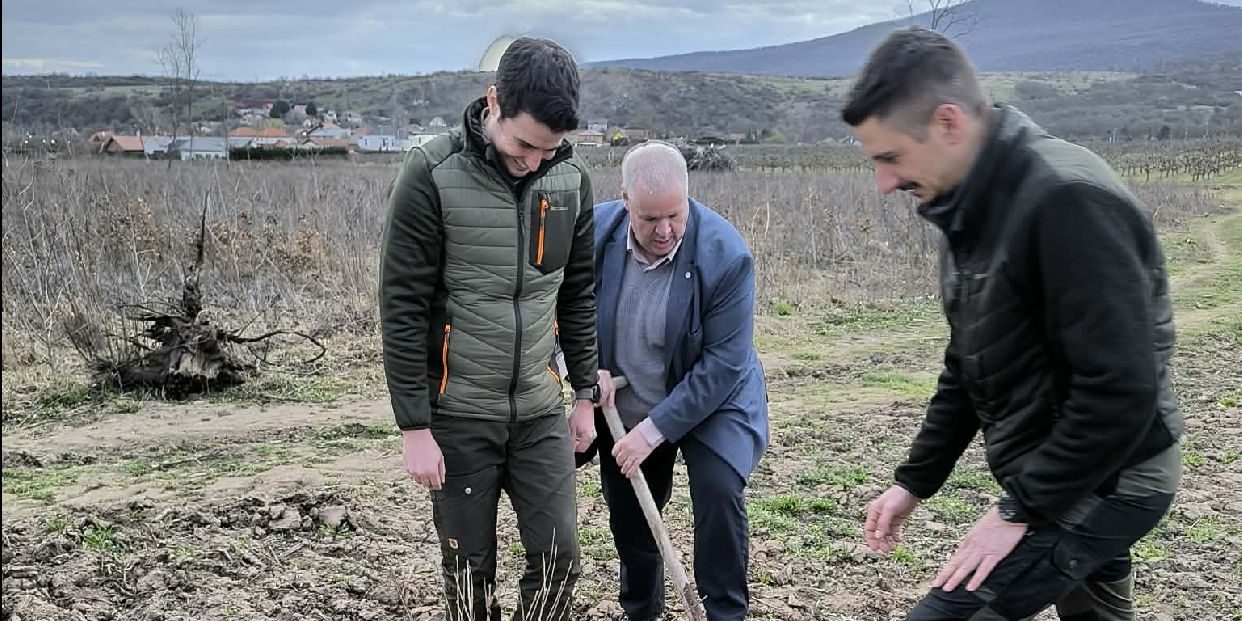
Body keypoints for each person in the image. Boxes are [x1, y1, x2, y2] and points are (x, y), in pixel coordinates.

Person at [840, 26, 1183, 621]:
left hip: (1112, 476)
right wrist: (914, 481)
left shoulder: (1064, 200)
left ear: (948, 123)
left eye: (890, 157)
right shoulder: (969, 206)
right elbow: (969, 362)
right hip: (1065, 471)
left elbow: (1122, 389)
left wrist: (1018, 511)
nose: (885, 182)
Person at [378, 36, 601, 621]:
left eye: (548, 150)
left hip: (538, 408)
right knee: (469, 575)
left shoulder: (570, 179)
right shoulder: (431, 173)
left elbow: (577, 294)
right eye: (524, 144)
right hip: (458, 416)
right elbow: (402, 306)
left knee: (560, 562)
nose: (534, 161)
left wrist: (584, 395)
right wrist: (414, 427)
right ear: (493, 101)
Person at [583, 140, 770, 621]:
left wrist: (653, 431)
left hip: (712, 395)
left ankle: (724, 612)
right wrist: (583, 369)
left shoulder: (726, 255)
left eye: (675, 215)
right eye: (649, 219)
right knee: (631, 512)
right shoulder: (592, 235)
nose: (665, 230)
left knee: (718, 490)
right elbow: (562, 313)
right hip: (628, 394)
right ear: (625, 200)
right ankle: (641, 610)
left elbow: (724, 364)